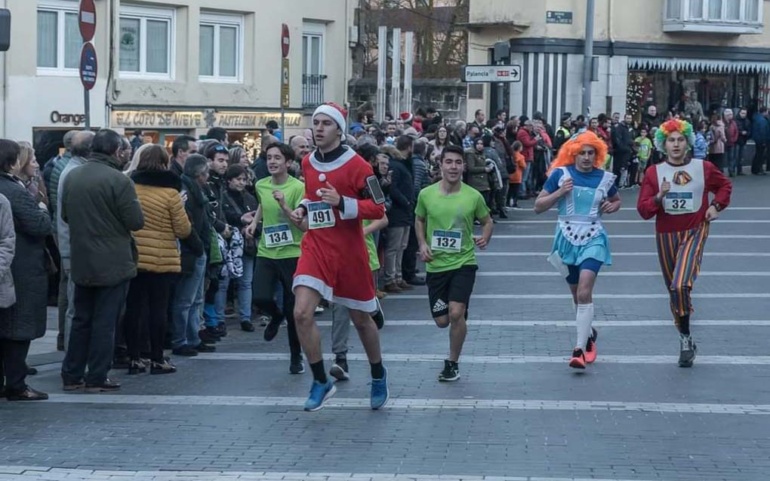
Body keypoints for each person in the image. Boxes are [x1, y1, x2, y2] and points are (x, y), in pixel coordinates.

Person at [289, 102, 388, 411]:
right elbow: (310, 194)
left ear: (338, 130)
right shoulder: (307, 162)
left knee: (360, 319)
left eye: (325, 124)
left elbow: (379, 207)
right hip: (316, 245)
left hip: (348, 251)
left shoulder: (358, 165)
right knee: (302, 313)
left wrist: (343, 201)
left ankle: (377, 373)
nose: (318, 128)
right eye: (315, 123)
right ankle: (321, 380)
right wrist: (303, 209)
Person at [637, 119, 732, 368]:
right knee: (674, 291)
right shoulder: (653, 173)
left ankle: (685, 340)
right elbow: (643, 210)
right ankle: (685, 336)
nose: (676, 144)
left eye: (680, 139)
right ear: (663, 144)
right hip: (666, 234)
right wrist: (659, 197)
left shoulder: (704, 167)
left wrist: (715, 205)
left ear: (688, 142)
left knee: (680, 285)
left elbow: (724, 186)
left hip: (695, 230)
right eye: (671, 140)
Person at [60, 129, 145, 393]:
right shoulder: (119, 180)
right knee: (105, 321)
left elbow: (64, 215)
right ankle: (97, 375)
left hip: (82, 257)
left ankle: (72, 375)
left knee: (81, 319)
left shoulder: (73, 176)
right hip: (114, 261)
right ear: (116, 151)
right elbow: (135, 221)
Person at [534, 131, 621, 370]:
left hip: (594, 237)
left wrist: (611, 206)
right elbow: (538, 206)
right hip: (566, 238)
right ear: (573, 154)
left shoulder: (606, 178)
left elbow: (616, 200)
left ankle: (579, 350)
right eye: (581, 153)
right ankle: (588, 332)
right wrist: (559, 193)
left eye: (590, 153)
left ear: (597, 154)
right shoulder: (559, 175)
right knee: (577, 296)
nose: (585, 157)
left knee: (584, 291)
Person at [414, 144, 493, 382]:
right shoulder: (426, 194)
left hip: (464, 262)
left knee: (456, 313)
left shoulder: (473, 196)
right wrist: (422, 244)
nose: (453, 167)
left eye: (458, 162)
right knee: (442, 321)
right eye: (449, 162)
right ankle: (456, 313)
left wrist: (485, 237)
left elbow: (488, 221)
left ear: (464, 166)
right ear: (440, 166)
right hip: (436, 266)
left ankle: (452, 362)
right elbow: (419, 220)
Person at [124, 144, 193, 375]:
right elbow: (183, 230)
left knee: (134, 308)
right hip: (163, 260)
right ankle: (156, 358)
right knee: (158, 310)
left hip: (134, 257)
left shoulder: (130, 187)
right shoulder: (171, 193)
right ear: (164, 163)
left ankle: (134, 358)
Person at [246, 143, 306, 374]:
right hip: (267, 251)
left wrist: (284, 204)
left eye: (277, 158)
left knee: (294, 312)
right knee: (259, 296)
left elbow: (301, 222)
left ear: (288, 163)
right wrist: (254, 222)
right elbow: (263, 203)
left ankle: (295, 357)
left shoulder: (298, 187)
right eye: (269, 157)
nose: (272, 162)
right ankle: (274, 315)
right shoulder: (261, 184)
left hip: (293, 253)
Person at [0, 140, 52, 400]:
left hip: (11, 267)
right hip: (20, 268)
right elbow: (40, 225)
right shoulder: (13, 191)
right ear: (12, 162)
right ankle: (17, 384)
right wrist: (42, 208)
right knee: (18, 328)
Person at [171, 154, 211, 357]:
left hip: (197, 248)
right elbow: (187, 222)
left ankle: (193, 338)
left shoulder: (195, 189)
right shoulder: (186, 190)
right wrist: (198, 246)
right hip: (191, 250)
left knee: (195, 299)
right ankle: (181, 340)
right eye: (206, 173)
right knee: (185, 299)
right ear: (199, 174)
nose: (208, 176)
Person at [220, 164, 258, 332]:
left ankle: (245, 317)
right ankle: (219, 318)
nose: (241, 183)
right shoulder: (223, 197)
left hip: (247, 244)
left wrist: (252, 229)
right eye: (238, 179)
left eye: (244, 179)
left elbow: (257, 219)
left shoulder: (250, 198)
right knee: (225, 282)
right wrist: (240, 220)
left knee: (246, 282)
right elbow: (223, 217)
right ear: (229, 180)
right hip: (229, 245)